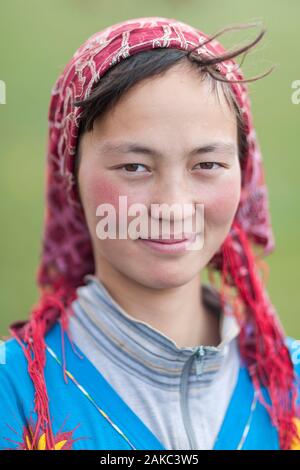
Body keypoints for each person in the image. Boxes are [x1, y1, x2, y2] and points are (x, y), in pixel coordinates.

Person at [0, 16, 300, 451]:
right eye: (134, 167)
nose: (173, 207)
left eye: (207, 165)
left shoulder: (289, 387)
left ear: (244, 171)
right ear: (72, 175)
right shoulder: (16, 396)